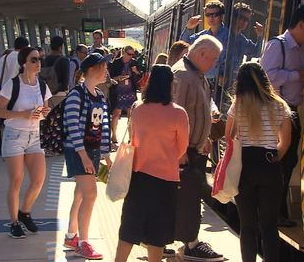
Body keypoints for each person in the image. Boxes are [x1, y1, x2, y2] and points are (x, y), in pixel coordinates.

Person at [115, 65, 189, 262]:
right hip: (166, 180)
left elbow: (133, 139)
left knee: (129, 228)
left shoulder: (137, 109)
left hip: (138, 177)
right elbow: (181, 149)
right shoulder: (179, 113)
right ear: (170, 85)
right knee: (158, 234)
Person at [225, 62, 292, 262]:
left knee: (248, 225)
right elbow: (285, 141)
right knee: (269, 225)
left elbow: (229, 137)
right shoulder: (279, 105)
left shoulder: (238, 105)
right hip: (269, 164)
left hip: (245, 165)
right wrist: (275, 156)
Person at [260, 4, 304, 227]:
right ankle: (271, 213)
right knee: (280, 163)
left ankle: (276, 211)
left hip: (292, 111)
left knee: (288, 161)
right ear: (301, 24)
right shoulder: (278, 46)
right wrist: (297, 76)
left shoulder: (300, 50)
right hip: (279, 115)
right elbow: (266, 77)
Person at [171, 34, 224, 261]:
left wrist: (204, 139)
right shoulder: (182, 75)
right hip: (185, 151)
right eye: (212, 59)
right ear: (201, 53)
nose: (214, 64)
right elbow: (174, 114)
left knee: (189, 197)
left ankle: (175, 240)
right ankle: (191, 244)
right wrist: (180, 150)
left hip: (194, 148)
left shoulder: (197, 74)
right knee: (188, 198)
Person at [0, 47, 52, 238]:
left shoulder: (42, 85)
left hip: (34, 136)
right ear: (24, 63)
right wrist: (23, 115)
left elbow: (47, 107)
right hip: (14, 136)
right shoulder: (13, 85)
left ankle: (25, 212)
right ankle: (14, 222)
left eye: (39, 59)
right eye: (33, 59)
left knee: (38, 180)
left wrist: (44, 112)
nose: (38, 63)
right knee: (16, 180)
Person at [62, 53, 112, 259]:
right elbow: (72, 127)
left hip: (91, 151)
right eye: (104, 66)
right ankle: (83, 242)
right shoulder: (76, 95)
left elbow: (104, 126)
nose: (107, 70)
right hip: (77, 151)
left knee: (81, 194)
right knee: (90, 195)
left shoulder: (99, 94)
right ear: (92, 69)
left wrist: (105, 154)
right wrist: (83, 155)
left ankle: (71, 235)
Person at [180, 0, 229, 84]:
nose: (211, 17)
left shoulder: (230, 35)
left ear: (222, 16)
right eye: (208, 15)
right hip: (202, 82)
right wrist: (188, 28)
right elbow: (183, 45)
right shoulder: (202, 36)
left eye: (215, 14)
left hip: (220, 85)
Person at [108, 45, 140, 144]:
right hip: (118, 91)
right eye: (129, 54)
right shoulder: (116, 62)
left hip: (130, 91)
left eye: (132, 54)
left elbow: (139, 77)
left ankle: (130, 136)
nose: (130, 56)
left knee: (131, 115)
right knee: (116, 114)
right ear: (124, 53)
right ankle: (114, 135)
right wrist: (119, 78)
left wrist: (136, 72)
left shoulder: (134, 63)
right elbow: (111, 77)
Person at [230, 2, 264, 77]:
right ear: (234, 17)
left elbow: (256, 53)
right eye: (242, 18)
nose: (244, 22)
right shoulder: (224, 34)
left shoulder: (243, 40)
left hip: (232, 80)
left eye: (247, 20)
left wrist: (260, 35)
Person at [44, 36, 70, 107]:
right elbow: (66, 79)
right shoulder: (64, 60)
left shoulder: (45, 60)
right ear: (61, 47)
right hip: (60, 93)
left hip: (47, 93)